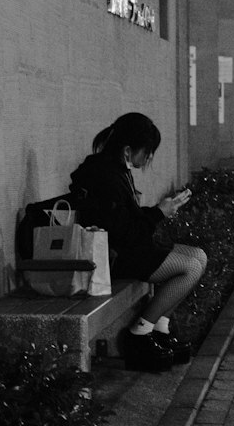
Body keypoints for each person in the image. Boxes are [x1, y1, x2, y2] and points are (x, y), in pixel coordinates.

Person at [69, 113, 207, 372]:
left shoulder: (113, 169)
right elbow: (125, 233)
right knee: (191, 266)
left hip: (127, 250)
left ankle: (160, 328)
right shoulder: (105, 175)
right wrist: (158, 213)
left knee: (199, 256)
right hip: (115, 258)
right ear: (128, 149)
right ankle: (139, 333)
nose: (148, 159)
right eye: (148, 152)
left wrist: (161, 210)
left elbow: (126, 223)